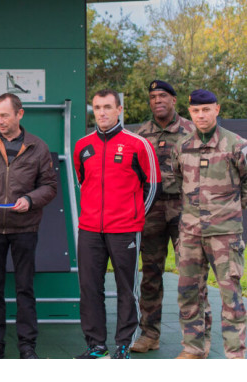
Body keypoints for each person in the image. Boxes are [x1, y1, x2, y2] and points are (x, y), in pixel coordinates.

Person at [0, 92, 58, 359]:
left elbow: (50, 186)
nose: (0, 120)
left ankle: (27, 347)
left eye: (5, 115)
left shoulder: (37, 147)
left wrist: (30, 199)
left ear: (20, 114)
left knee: (25, 288)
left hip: (25, 229)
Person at [73, 88, 159, 359]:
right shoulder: (82, 146)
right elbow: (82, 182)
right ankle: (96, 345)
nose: (102, 112)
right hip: (89, 230)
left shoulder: (138, 144)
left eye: (108, 107)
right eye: (97, 107)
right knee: (89, 288)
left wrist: (134, 218)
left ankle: (123, 344)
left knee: (126, 288)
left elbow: (153, 185)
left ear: (120, 110)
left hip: (125, 230)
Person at [132, 80, 210, 354]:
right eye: (152, 96)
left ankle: (198, 339)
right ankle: (149, 334)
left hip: (184, 208)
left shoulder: (192, 130)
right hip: (151, 209)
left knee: (191, 273)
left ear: (174, 100)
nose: (157, 100)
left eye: (163, 95)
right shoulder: (141, 134)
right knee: (150, 273)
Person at [172, 89, 247, 359]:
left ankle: (235, 355)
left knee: (231, 296)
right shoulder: (181, 146)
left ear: (217, 109)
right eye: (195, 111)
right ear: (189, 113)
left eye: (206, 110)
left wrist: (230, 211)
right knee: (189, 292)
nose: (201, 115)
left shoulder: (236, 145)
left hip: (225, 236)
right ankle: (193, 348)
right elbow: (179, 182)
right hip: (190, 233)